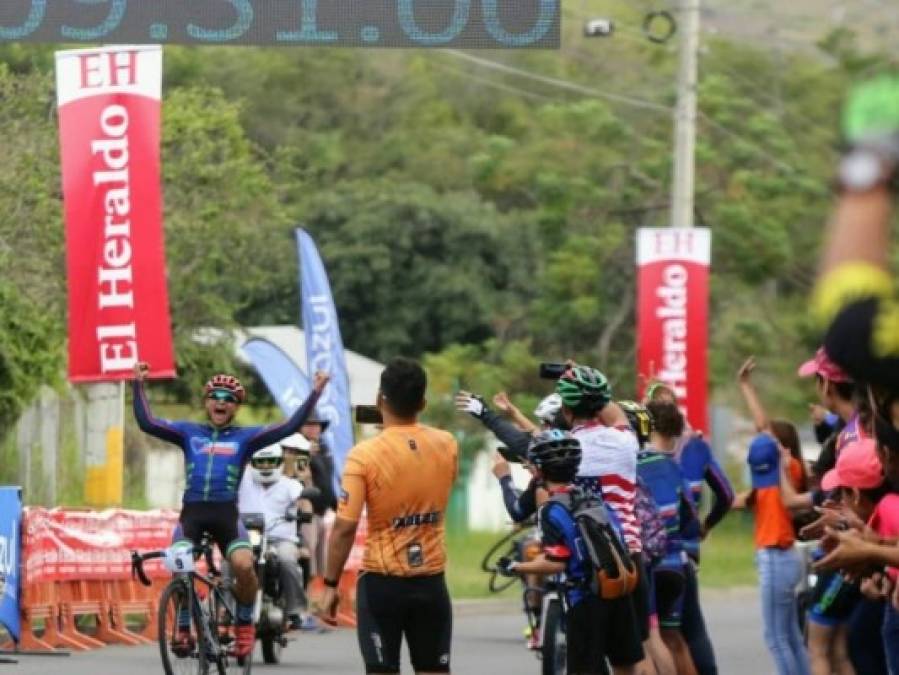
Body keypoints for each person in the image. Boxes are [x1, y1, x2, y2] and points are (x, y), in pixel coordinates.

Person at [131, 361, 329, 657]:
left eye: (229, 399)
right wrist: (138, 385)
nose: (221, 403)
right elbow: (148, 423)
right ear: (206, 402)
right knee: (178, 563)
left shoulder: (245, 438)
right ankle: (184, 627)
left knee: (245, 567)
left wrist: (314, 393)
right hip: (192, 517)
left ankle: (245, 626)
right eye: (215, 397)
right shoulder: (188, 432)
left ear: (236, 407)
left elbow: (287, 427)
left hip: (227, 518)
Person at [319, 357, 458, 674]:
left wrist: (330, 585)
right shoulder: (447, 444)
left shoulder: (364, 454)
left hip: (382, 585)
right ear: (422, 402)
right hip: (431, 582)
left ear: (380, 399)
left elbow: (344, 527)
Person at [498, 430, 643, 675]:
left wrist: (516, 567)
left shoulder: (551, 510)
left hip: (584, 600)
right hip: (618, 592)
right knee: (624, 665)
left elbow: (557, 562)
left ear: (539, 470)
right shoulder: (594, 498)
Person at [555, 366, 648, 671]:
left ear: (566, 409)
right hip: (628, 557)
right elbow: (618, 415)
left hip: (587, 563)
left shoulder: (564, 450)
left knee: (586, 663)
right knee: (629, 659)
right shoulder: (625, 442)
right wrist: (593, 390)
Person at [643, 383, 732, 675]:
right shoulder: (695, 446)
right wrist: (704, 527)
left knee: (657, 638)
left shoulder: (639, 458)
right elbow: (726, 496)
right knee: (687, 633)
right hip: (684, 556)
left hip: (652, 559)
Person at [813, 438, 899, 672]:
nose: (841, 501)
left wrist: (868, 550)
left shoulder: (890, 507)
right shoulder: (881, 513)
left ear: (856, 494)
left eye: (843, 494)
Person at [737, 433, 811, 675]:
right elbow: (740, 500)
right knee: (791, 636)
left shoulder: (787, 470)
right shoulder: (778, 478)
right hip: (788, 556)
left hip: (774, 556)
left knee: (776, 638)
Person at [640, 400, 700, 675]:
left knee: (647, 643)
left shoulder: (634, 464)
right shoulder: (674, 467)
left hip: (650, 565)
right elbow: (691, 517)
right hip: (677, 564)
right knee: (675, 640)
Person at [237, 444, 311, 630]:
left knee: (287, 560)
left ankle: (296, 610)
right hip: (247, 539)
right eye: (260, 463)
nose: (266, 466)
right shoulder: (242, 481)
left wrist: (305, 510)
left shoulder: (290, 485)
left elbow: (303, 500)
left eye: (271, 461)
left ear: (279, 463)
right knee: (227, 563)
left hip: (281, 540)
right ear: (252, 464)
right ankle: (225, 608)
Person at [300, 413, 338, 585]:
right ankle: (298, 603)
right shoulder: (296, 448)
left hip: (322, 512)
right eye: (309, 424)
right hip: (306, 511)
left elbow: (327, 480)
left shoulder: (323, 449)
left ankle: (306, 601)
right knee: (306, 557)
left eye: (316, 425)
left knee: (318, 562)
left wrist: (335, 503)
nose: (314, 428)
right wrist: (304, 453)